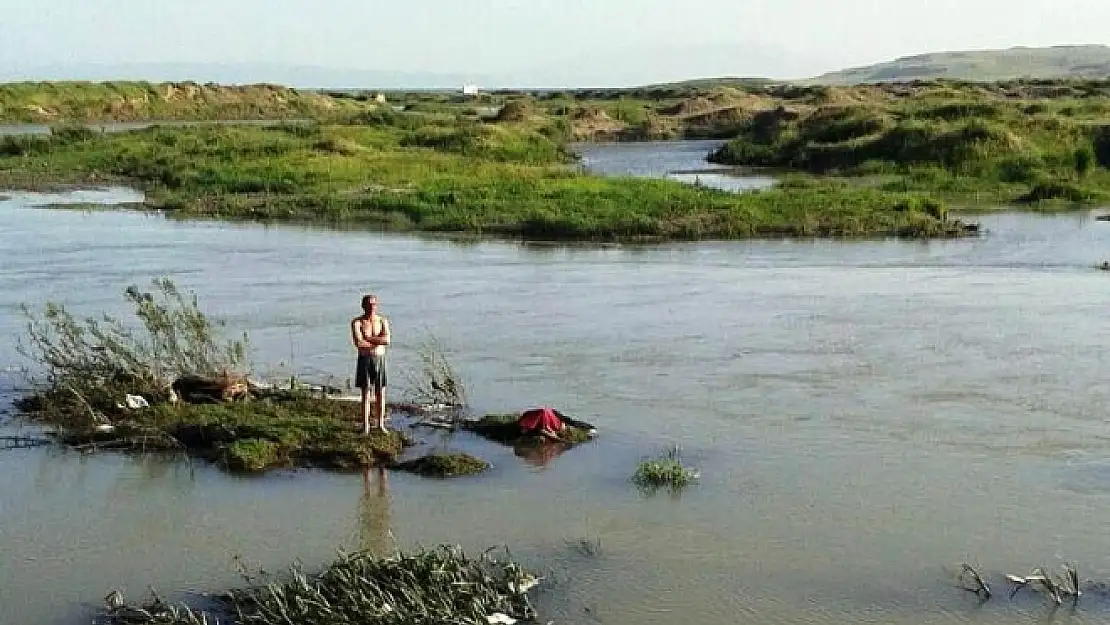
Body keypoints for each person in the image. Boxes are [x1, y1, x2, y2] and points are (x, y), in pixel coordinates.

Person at [351, 294, 391, 433]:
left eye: (373, 304)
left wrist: (368, 338)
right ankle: (366, 425)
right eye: (368, 305)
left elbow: (387, 340)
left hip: (380, 359)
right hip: (365, 360)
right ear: (363, 306)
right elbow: (359, 343)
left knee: (381, 393)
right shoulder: (357, 322)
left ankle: (380, 424)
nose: (371, 307)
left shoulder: (382, 321)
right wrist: (376, 341)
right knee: (366, 393)